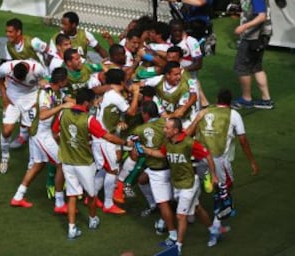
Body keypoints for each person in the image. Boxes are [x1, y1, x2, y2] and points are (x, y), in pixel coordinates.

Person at [52, 88, 133, 239]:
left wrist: (63, 144)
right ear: (86, 102)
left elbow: (55, 131)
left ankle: (71, 228)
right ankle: (92, 219)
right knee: (91, 195)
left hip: (67, 162)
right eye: (92, 101)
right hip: (84, 164)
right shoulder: (89, 120)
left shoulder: (62, 114)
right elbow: (107, 136)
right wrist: (124, 142)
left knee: (72, 195)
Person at [187, 88, 259, 245]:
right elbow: (243, 140)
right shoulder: (234, 115)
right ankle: (216, 227)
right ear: (230, 101)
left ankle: (191, 212)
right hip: (218, 160)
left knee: (195, 184)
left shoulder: (203, 111)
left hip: (199, 157)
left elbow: (190, 133)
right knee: (225, 188)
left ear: (217, 98)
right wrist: (252, 161)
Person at [142, 117, 218, 254]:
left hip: (189, 184)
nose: (164, 130)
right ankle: (214, 230)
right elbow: (161, 153)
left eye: (167, 128)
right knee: (197, 208)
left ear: (175, 130)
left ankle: (178, 247)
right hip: (178, 184)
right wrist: (146, 150)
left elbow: (207, 155)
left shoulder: (189, 143)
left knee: (181, 216)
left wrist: (213, 175)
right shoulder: (169, 142)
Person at [10, 67, 74, 210]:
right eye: (66, 79)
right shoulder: (46, 94)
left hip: (40, 133)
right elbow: (44, 115)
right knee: (62, 164)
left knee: (38, 165)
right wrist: (63, 106)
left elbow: (70, 100)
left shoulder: (57, 92)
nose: (68, 81)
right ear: (61, 81)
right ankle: (59, 203)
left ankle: (18, 197)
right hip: (41, 134)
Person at [92, 69, 140, 214]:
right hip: (106, 139)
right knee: (113, 170)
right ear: (121, 82)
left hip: (102, 136)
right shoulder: (115, 96)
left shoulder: (109, 94)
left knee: (103, 169)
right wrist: (136, 94)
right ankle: (108, 204)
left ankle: (91, 197)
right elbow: (131, 112)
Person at [4, 18, 53, 149]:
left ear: (18, 32)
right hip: (27, 82)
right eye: (7, 32)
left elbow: (51, 53)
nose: (7, 35)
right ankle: (23, 137)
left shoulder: (33, 42)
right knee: (26, 108)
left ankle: (46, 136)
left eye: (10, 32)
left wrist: (48, 74)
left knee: (45, 107)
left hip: (43, 80)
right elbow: (11, 66)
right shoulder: (8, 46)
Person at [0, 59, 46, 174]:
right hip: (12, 99)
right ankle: (4, 158)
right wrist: (4, 95)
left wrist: (39, 97)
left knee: (33, 132)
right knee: (7, 131)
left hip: (31, 99)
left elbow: (46, 81)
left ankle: (32, 162)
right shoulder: (6, 68)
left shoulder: (37, 69)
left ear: (28, 72)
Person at [231, 0, 274, 110]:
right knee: (256, 67)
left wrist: (244, 26)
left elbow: (262, 16)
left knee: (242, 68)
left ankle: (246, 99)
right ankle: (266, 100)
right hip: (259, 36)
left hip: (254, 37)